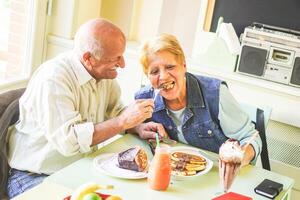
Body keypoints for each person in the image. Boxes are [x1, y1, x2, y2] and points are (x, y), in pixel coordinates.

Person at [7, 18, 165, 198]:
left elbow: (114, 111)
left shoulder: (104, 75)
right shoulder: (53, 79)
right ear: (88, 58)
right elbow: (69, 142)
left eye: (122, 55)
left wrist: (137, 126)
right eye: (115, 58)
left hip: (77, 170)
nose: (122, 64)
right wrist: (122, 121)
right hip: (34, 177)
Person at [134, 33, 262, 166]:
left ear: (184, 66)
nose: (163, 76)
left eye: (170, 67)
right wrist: (137, 128)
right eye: (154, 72)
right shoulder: (143, 99)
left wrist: (238, 159)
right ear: (147, 76)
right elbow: (125, 123)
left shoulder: (215, 94)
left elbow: (251, 138)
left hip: (217, 175)